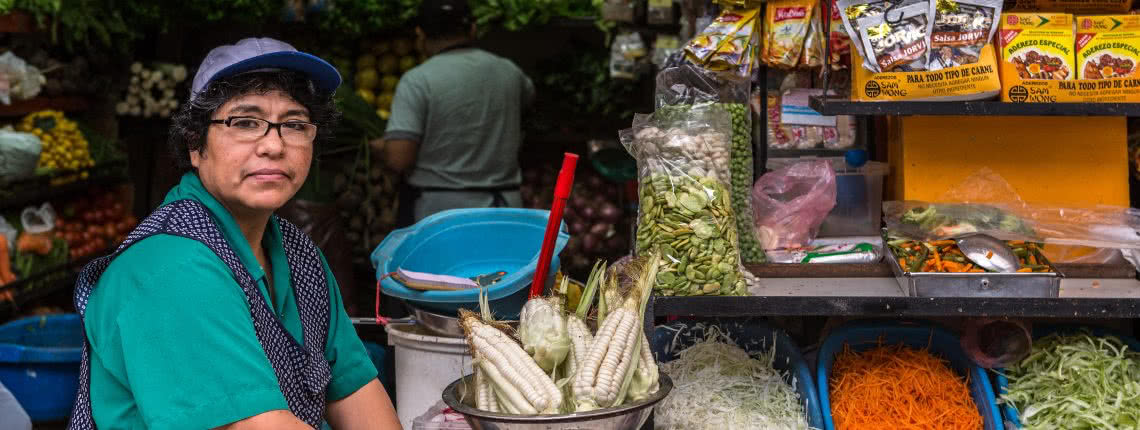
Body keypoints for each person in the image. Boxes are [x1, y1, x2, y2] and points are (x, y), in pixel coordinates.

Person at [69, 38, 400, 429]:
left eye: (295, 125)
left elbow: (356, 393)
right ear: (195, 144)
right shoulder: (170, 268)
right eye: (245, 122)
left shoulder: (297, 253)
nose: (274, 146)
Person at [371, 0, 534, 225]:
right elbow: (525, 112)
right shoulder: (510, 72)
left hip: (442, 216)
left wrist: (380, 148)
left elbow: (400, 158)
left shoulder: (418, 80)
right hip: (505, 209)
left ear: (420, 34)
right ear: (473, 29)